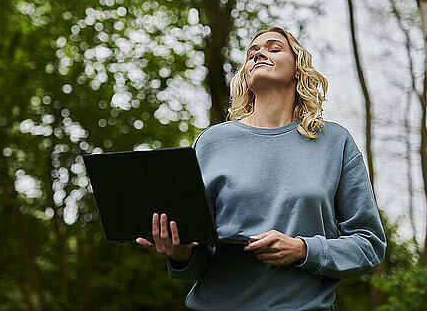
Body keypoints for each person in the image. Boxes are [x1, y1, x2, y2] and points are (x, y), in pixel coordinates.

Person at [135, 26, 387, 310]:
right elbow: (198, 257)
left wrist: (302, 250)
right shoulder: (212, 142)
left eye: (273, 48)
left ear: (297, 69)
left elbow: (369, 245)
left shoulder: (334, 141)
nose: (258, 53)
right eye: (252, 53)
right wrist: (180, 254)